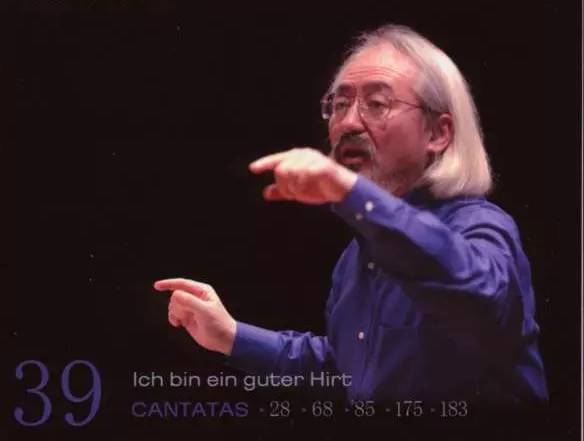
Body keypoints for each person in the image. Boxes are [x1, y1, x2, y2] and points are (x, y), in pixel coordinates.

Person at [154, 24, 548, 408]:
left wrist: (353, 195)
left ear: (437, 134)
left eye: (377, 104)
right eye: (340, 105)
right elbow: (348, 374)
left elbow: (478, 297)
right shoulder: (357, 255)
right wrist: (232, 336)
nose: (348, 123)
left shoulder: (480, 226)